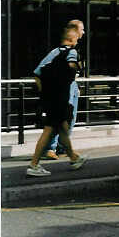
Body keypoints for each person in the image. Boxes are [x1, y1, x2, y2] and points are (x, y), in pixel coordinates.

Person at [26, 26, 87, 177]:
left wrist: (45, 94)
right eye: (77, 37)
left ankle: (74, 158)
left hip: (52, 98)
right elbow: (72, 66)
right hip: (59, 98)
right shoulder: (71, 52)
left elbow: (37, 73)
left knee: (62, 128)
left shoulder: (54, 52)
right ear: (72, 39)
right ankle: (34, 165)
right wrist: (81, 66)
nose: (79, 39)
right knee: (50, 129)